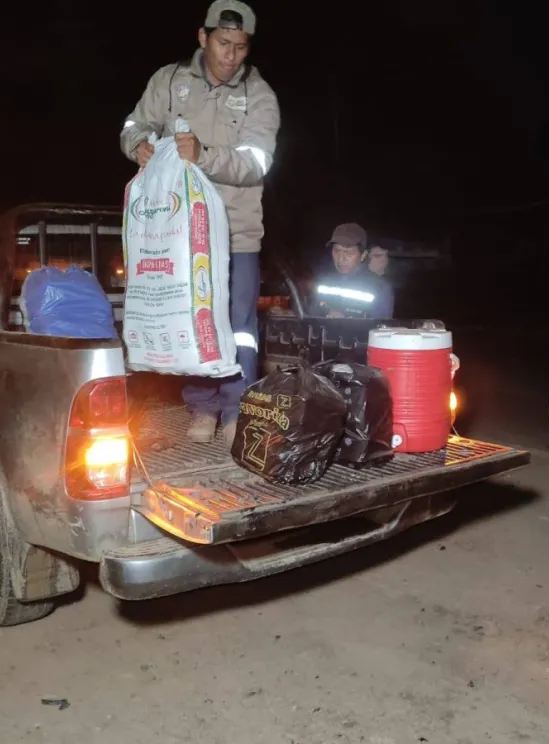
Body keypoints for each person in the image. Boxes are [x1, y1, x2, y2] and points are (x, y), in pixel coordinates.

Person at [119, 0, 280, 448]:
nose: (231, 56)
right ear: (203, 37)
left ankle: (238, 410)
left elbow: (257, 162)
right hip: (179, 235)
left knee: (238, 325)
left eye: (241, 47)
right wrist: (138, 144)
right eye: (224, 43)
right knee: (191, 320)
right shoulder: (169, 81)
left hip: (237, 232)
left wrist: (204, 156)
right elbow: (134, 123)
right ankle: (203, 408)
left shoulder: (260, 95)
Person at [309, 223, 394, 319]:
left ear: (363, 256)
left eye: (348, 253)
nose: (341, 259)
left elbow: (380, 325)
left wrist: (346, 321)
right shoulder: (323, 282)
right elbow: (311, 316)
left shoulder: (380, 288)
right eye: (337, 251)